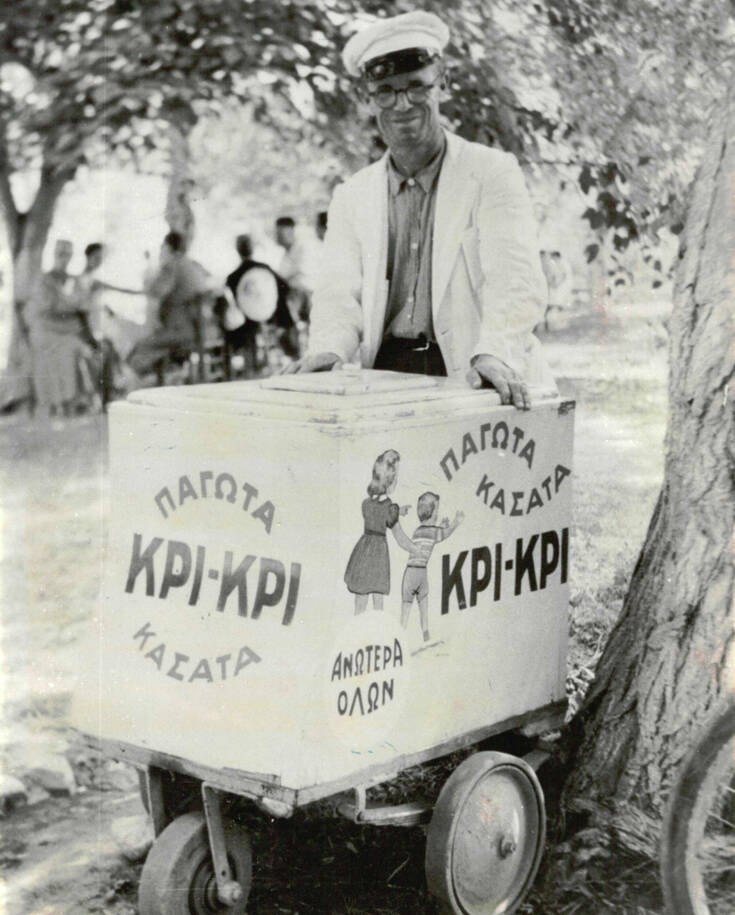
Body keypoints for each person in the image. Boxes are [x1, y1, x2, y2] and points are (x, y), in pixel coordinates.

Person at [286, 10, 555, 410]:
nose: (402, 104)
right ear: (367, 98)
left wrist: (495, 352)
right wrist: (328, 350)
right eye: (386, 91)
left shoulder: (492, 173)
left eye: (416, 87)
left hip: (474, 373)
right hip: (383, 379)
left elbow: (515, 279)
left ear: (442, 83)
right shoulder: (351, 195)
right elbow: (338, 294)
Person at [127, 231, 214, 378]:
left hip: (181, 332)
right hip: (202, 329)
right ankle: (169, 374)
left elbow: (156, 291)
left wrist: (158, 271)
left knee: (137, 349)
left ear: (168, 247)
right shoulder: (194, 265)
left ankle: (158, 380)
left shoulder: (172, 265)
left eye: (163, 246)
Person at [344, 449, 418, 615]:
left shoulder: (366, 504)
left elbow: (378, 513)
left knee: (360, 599)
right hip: (378, 558)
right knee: (378, 601)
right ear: (390, 482)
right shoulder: (389, 508)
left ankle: (357, 628)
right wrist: (414, 549)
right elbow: (399, 537)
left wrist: (397, 511)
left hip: (362, 554)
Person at [26, 239, 93, 416]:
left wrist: (67, 304)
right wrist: (71, 304)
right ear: (54, 255)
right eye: (60, 254)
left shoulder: (74, 280)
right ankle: (58, 403)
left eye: (67, 254)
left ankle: (74, 401)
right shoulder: (43, 280)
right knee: (62, 348)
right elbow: (48, 307)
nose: (63, 258)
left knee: (79, 348)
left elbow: (84, 304)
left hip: (69, 330)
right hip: (47, 330)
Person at [216, 234, 298, 374]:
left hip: (248, 325)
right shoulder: (265, 268)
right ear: (253, 248)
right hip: (273, 318)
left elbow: (233, 305)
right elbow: (285, 288)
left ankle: (236, 368)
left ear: (237, 250)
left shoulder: (233, 277)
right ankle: (292, 354)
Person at [401, 492, 463, 642]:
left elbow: (434, 536)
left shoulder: (419, 530)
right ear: (431, 513)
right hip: (419, 573)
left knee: (407, 606)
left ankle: (402, 634)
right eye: (437, 510)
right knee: (423, 604)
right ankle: (425, 634)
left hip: (411, 572)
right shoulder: (432, 531)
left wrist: (440, 527)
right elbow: (443, 534)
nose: (438, 513)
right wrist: (456, 522)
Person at [275, 216, 311, 321]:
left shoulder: (303, 249)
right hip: (293, 298)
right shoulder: (285, 254)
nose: (277, 237)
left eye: (280, 234)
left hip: (305, 297)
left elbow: (302, 275)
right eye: (277, 234)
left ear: (291, 231)